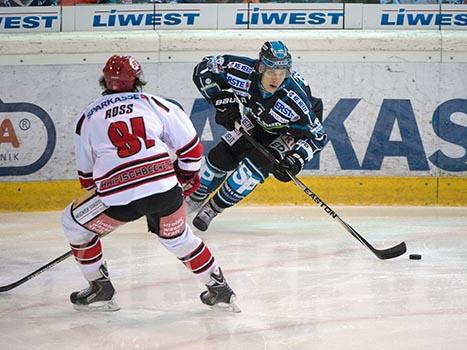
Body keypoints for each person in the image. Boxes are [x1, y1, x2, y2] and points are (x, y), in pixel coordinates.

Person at [60, 55, 239, 313]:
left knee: (72, 224)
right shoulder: (154, 104)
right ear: (138, 80)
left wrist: (94, 227)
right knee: (178, 239)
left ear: (104, 81)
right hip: (163, 191)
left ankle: (100, 287)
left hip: (116, 198)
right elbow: (191, 149)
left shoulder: (87, 116)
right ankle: (219, 289)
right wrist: (185, 177)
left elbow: (87, 178)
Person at [187, 40, 326, 231]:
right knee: (220, 158)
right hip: (258, 119)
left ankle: (212, 209)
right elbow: (203, 69)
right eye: (271, 72)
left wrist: (296, 159)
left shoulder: (295, 100)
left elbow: (318, 136)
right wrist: (220, 99)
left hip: (289, 132)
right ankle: (194, 198)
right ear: (260, 67)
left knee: (253, 169)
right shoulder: (241, 69)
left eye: (281, 73)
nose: (276, 79)